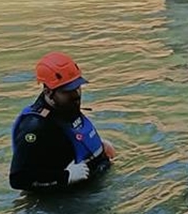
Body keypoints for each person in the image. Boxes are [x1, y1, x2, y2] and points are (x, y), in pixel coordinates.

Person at [9, 52, 114, 192]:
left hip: (95, 182)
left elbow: (71, 137)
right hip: (68, 198)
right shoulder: (35, 128)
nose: (76, 94)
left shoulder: (65, 107)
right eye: (68, 90)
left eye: (77, 87)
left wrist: (98, 146)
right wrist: (65, 177)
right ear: (48, 92)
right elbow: (18, 179)